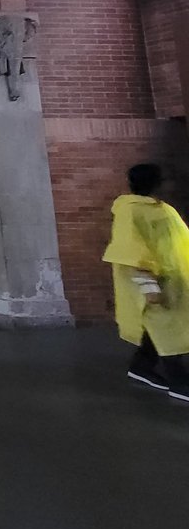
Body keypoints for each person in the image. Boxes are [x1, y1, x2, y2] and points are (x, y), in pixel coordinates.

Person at [103, 163, 189, 399]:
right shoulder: (130, 211)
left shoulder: (163, 209)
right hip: (156, 281)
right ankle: (179, 382)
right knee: (167, 329)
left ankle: (141, 367)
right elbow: (131, 251)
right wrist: (148, 285)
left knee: (166, 327)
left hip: (176, 280)